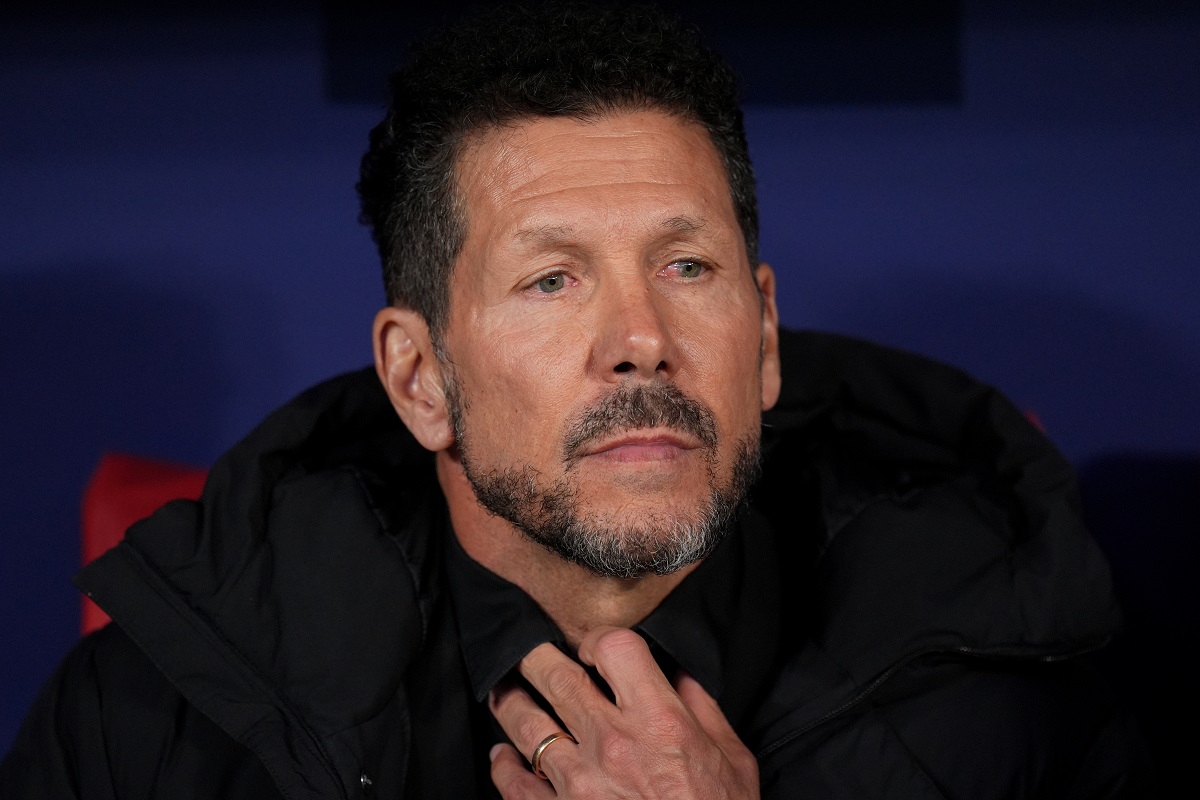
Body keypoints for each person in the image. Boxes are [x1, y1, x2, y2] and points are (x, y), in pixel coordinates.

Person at [1, 2, 1151, 797]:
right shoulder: (150, 718)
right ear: (419, 377)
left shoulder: (1015, 699)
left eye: (686, 266)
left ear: (761, 342)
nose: (641, 339)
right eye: (552, 279)